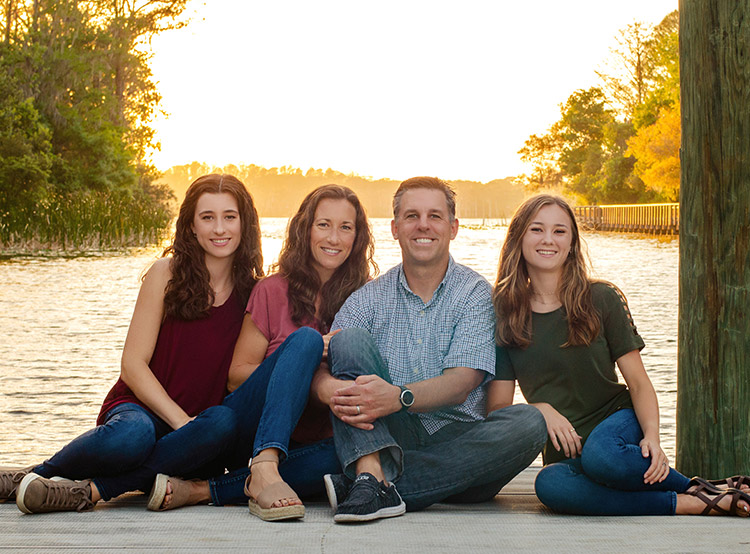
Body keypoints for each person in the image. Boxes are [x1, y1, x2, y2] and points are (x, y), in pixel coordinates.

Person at [4, 173, 264, 514]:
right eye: (207, 217)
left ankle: (86, 491)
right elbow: (133, 366)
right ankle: (38, 475)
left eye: (229, 217)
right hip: (140, 409)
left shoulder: (255, 293)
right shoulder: (165, 273)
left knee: (222, 423)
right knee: (133, 437)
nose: (219, 229)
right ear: (191, 226)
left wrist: (193, 429)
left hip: (200, 432)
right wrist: (180, 421)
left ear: (244, 224)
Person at [488, 193, 750, 517]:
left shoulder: (601, 297)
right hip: (565, 448)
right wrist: (539, 411)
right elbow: (498, 408)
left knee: (602, 456)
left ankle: (694, 492)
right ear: (519, 238)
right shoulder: (504, 313)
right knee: (549, 484)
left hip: (619, 422)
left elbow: (639, 383)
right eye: (536, 229)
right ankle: (694, 498)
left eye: (560, 231)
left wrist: (652, 437)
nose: (548, 240)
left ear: (571, 242)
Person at [316, 176, 547, 523]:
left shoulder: (474, 294)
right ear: (394, 228)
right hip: (388, 433)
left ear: (453, 228)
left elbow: (461, 383)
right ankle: (377, 477)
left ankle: (371, 484)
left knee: (529, 422)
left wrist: (398, 396)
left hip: (463, 442)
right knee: (348, 340)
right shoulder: (367, 299)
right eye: (412, 216)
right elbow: (327, 365)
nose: (423, 225)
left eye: (435, 216)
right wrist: (333, 390)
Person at [148, 184, 378, 521]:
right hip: (255, 433)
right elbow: (236, 375)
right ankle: (265, 464)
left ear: (357, 238)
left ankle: (203, 490)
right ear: (305, 229)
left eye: (346, 227)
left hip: (314, 441)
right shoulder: (272, 289)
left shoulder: (367, 299)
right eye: (323, 224)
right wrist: (294, 365)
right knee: (305, 342)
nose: (334, 238)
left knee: (351, 460)